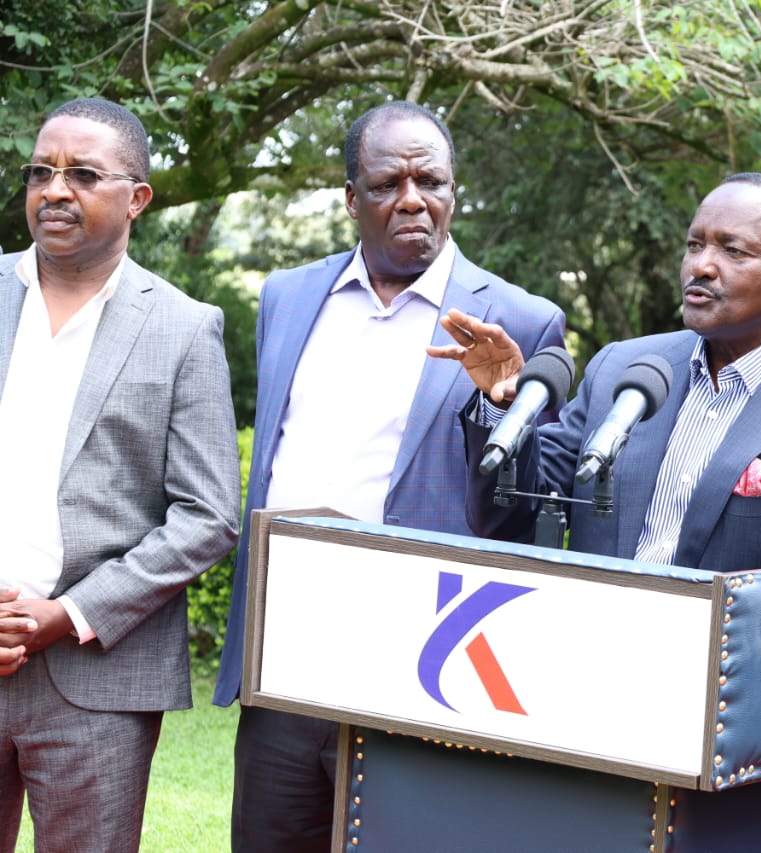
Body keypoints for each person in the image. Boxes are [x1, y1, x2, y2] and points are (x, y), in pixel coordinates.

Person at [214, 100, 565, 852]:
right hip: (287, 653)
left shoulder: (519, 319)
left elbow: (529, 511)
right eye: (387, 183)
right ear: (351, 198)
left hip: (426, 661)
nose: (413, 199)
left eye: (430, 180)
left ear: (453, 190)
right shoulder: (288, 295)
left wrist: (498, 403)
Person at [430, 172, 761, 602]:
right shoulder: (623, 368)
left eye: (733, 251)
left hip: (717, 687)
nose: (700, 266)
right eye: (695, 245)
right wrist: (504, 411)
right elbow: (514, 517)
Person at [0, 98, 241, 852]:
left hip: (95, 679)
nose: (55, 190)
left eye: (82, 174)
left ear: (137, 197)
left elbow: (208, 515)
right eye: (41, 171)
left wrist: (67, 614)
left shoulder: (182, 327)